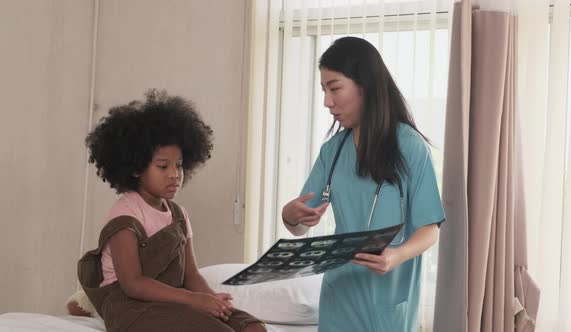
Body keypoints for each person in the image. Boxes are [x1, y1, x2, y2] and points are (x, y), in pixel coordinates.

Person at [281, 37, 445, 332]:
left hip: (389, 294)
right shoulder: (333, 151)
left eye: (334, 88)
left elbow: (429, 229)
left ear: (365, 85)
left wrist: (397, 255)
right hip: (340, 292)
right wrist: (290, 215)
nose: (327, 102)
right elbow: (301, 224)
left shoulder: (409, 147)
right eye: (323, 90)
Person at [78, 90, 266, 332]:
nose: (174, 174)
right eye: (163, 166)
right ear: (135, 168)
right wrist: (192, 300)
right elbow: (133, 284)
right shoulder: (125, 218)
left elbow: (191, 275)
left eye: (179, 165)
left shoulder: (178, 215)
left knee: (253, 328)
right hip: (131, 306)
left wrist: (211, 299)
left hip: (174, 300)